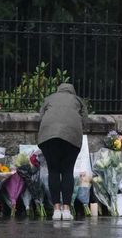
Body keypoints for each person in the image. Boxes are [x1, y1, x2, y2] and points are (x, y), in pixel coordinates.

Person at [37, 83, 88, 221]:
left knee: (53, 171)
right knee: (67, 171)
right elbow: (85, 121)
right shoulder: (78, 100)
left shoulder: (49, 98)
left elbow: (40, 117)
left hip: (48, 137)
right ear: (72, 91)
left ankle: (56, 210)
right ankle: (66, 210)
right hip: (71, 138)